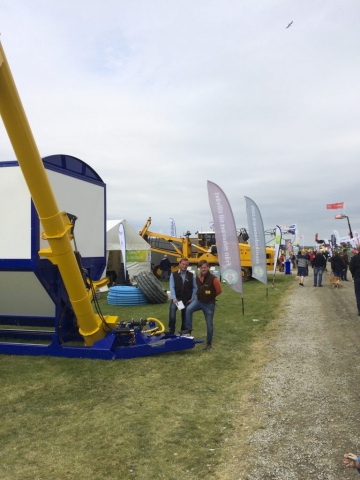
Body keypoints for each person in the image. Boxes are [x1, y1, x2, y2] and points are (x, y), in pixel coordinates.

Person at [184, 260, 222, 350]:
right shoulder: (198, 277)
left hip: (209, 304)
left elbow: (219, 291)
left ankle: (209, 343)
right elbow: (196, 288)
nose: (203, 269)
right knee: (188, 309)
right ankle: (189, 329)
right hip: (199, 301)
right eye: (201, 267)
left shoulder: (214, 279)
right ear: (199, 268)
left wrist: (211, 296)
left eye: (205, 267)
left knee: (209, 323)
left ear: (207, 267)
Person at [167, 258, 197, 334]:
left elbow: (195, 287)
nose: (184, 266)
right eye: (183, 264)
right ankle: (171, 330)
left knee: (184, 315)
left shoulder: (191, 275)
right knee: (172, 313)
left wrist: (192, 298)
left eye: (186, 265)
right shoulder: (173, 274)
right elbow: (172, 287)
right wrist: (174, 299)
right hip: (177, 299)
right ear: (179, 264)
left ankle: (183, 331)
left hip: (186, 300)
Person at [349, 245, 360, 316]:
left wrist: (354, 274)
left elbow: (351, 267)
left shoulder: (354, 258)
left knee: (358, 294)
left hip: (358, 277)